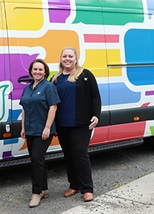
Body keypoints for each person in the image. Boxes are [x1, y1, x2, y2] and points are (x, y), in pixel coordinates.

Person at [51, 47, 101, 202]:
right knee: (69, 155)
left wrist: (96, 115)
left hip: (81, 123)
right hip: (62, 124)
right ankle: (74, 185)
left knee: (80, 153)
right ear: (60, 59)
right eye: (64, 56)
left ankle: (87, 188)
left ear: (76, 58)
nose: (67, 58)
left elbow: (95, 96)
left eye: (70, 56)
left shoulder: (85, 74)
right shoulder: (55, 78)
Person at [20, 58, 61, 208]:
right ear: (31, 71)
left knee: (36, 159)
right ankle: (44, 189)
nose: (37, 72)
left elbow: (53, 107)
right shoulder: (27, 88)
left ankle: (36, 193)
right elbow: (24, 108)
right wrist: (23, 127)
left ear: (45, 72)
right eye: (35, 69)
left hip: (43, 130)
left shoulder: (48, 87)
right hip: (30, 129)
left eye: (40, 69)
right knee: (38, 159)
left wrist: (47, 128)